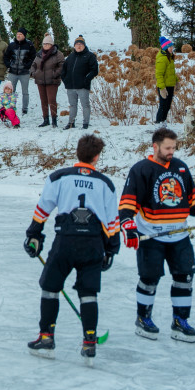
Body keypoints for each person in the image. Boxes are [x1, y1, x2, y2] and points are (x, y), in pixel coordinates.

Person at [120, 127, 195, 341]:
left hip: (179, 236)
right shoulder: (141, 170)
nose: (171, 151)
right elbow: (128, 204)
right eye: (168, 148)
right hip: (152, 236)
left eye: (174, 148)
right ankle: (143, 319)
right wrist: (127, 225)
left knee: (184, 277)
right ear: (155, 146)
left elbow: (193, 201)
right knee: (149, 279)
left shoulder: (180, 168)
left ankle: (180, 321)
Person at [23, 134, 120, 361]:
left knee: (50, 287)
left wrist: (34, 235)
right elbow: (112, 221)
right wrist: (111, 250)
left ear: (77, 152)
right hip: (93, 244)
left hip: (65, 241)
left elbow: (43, 209)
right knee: (89, 293)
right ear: (97, 157)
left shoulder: (59, 177)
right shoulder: (106, 183)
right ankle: (89, 341)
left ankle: (46, 336)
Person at [61, 35, 99, 130]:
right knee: (73, 105)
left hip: (83, 86)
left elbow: (94, 70)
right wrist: (65, 79)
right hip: (71, 86)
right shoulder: (70, 56)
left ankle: (85, 123)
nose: (79, 46)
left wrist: (86, 79)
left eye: (81, 44)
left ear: (84, 45)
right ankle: (71, 123)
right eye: (77, 44)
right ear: (74, 46)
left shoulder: (89, 56)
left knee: (85, 105)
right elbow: (63, 69)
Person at [31, 33, 64, 128]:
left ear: (51, 45)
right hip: (40, 81)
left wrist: (54, 74)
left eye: (48, 44)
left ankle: (54, 119)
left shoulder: (58, 54)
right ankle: (45, 119)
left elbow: (62, 66)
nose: (45, 45)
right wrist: (34, 73)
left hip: (52, 81)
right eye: (44, 44)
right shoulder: (39, 54)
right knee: (43, 100)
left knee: (52, 100)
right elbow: (33, 65)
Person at [4, 28, 36, 117]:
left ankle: (25, 109)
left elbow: (34, 57)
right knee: (10, 91)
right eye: (17, 34)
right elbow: (6, 56)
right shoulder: (11, 45)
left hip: (24, 73)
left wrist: (28, 65)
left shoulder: (29, 45)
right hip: (12, 72)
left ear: (24, 36)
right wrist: (8, 65)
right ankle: (10, 107)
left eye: (20, 34)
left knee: (25, 92)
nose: (18, 35)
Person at [155, 36, 176, 124]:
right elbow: (159, 75)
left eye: (172, 47)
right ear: (166, 48)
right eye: (170, 47)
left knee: (167, 106)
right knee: (163, 106)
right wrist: (162, 88)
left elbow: (172, 73)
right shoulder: (162, 59)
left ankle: (163, 123)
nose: (172, 48)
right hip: (164, 87)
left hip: (170, 86)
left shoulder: (169, 57)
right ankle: (158, 124)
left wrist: (177, 81)